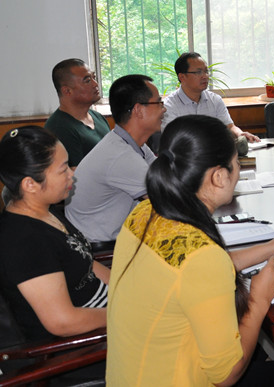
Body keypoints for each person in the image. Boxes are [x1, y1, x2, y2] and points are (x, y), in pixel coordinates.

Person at [106, 115, 274, 386]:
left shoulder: (146, 211)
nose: (238, 170)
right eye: (237, 163)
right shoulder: (202, 258)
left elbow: (193, 270)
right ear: (218, 176)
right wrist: (259, 300)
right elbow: (226, 375)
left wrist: (272, 247)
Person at [0, 126, 108, 341]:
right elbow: (63, 322)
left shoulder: (45, 211)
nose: (72, 174)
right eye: (63, 169)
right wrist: (127, 312)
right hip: (85, 341)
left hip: (104, 310)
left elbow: (85, 263)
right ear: (30, 184)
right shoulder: (24, 242)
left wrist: (129, 291)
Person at [66, 74, 163, 242]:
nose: (164, 109)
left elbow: (164, 176)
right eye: (159, 103)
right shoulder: (121, 155)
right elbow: (167, 202)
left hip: (115, 234)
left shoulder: (128, 143)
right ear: (138, 110)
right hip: (99, 245)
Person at [162, 52, 260, 143]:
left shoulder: (215, 100)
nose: (205, 76)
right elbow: (174, 141)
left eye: (206, 71)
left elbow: (229, 127)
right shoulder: (169, 106)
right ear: (182, 77)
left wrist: (240, 134)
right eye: (198, 72)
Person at [44, 58, 110, 168]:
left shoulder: (98, 117)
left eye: (94, 78)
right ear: (67, 91)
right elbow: (76, 174)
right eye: (87, 81)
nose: (95, 84)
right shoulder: (60, 128)